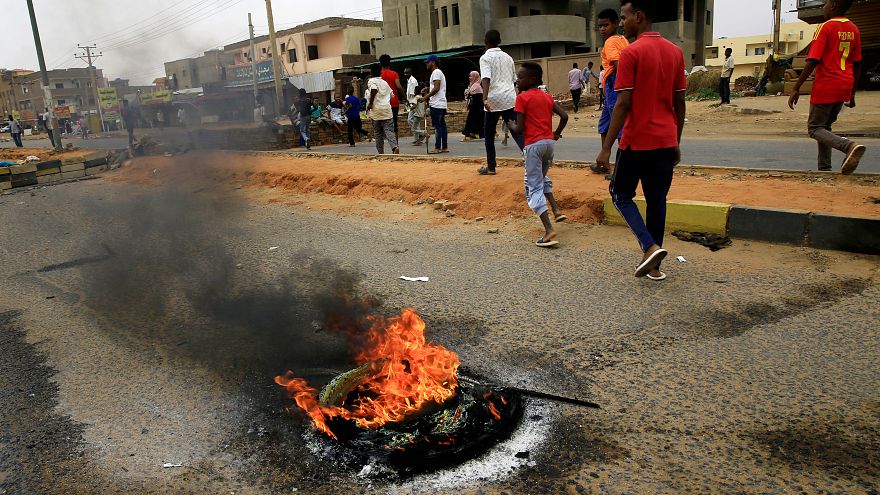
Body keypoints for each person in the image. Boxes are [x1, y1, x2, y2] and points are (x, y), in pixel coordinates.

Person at [595, 0, 687, 281]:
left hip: (635, 141)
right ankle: (655, 267)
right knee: (657, 200)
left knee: (620, 194)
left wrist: (606, 148)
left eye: (624, 18)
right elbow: (679, 102)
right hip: (665, 141)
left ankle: (649, 247)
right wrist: (676, 140)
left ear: (639, 16)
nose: (622, 23)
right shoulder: (676, 52)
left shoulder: (632, 53)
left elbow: (622, 104)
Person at [788, 0, 865, 174]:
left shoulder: (825, 27)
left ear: (834, 5)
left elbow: (812, 60)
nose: (824, 7)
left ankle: (848, 146)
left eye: (826, 3)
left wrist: (796, 87)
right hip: (845, 84)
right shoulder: (854, 29)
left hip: (827, 85)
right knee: (825, 127)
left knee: (814, 128)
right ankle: (825, 168)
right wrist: (852, 94)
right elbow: (858, 64)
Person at [506, 62, 569, 248]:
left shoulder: (522, 98)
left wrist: (510, 125)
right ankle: (556, 210)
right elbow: (564, 116)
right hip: (549, 144)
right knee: (541, 178)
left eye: (520, 77)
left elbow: (519, 128)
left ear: (532, 79)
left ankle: (548, 230)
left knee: (532, 185)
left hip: (533, 146)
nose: (517, 81)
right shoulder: (546, 96)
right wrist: (556, 134)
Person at [478, 29, 523, 175]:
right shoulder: (508, 57)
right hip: (509, 99)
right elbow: (514, 80)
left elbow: (486, 78)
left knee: (489, 134)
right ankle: (532, 160)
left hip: (493, 100)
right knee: (517, 131)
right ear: (500, 41)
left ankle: (491, 167)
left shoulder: (485, 58)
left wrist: (484, 98)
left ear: (485, 42)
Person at [592, 8, 630, 175]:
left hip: (615, 83)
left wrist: (619, 87)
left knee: (619, 124)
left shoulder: (610, 42)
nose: (602, 29)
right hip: (612, 84)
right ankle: (604, 163)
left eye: (605, 25)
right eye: (600, 26)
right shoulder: (623, 40)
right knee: (605, 125)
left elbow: (618, 65)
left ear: (615, 24)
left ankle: (620, 170)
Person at [367, 63, 399, 154]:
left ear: (371, 72)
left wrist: (370, 103)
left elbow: (374, 89)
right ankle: (394, 147)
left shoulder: (371, 81)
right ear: (380, 72)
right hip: (387, 111)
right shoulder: (385, 83)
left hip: (376, 111)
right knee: (389, 131)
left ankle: (381, 153)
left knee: (378, 133)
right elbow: (392, 95)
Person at [420, 55, 448, 154]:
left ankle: (437, 147)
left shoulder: (436, 72)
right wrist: (428, 88)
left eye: (428, 62)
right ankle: (444, 146)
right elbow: (436, 87)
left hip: (436, 103)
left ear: (433, 62)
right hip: (441, 103)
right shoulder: (438, 73)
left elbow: (436, 88)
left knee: (438, 126)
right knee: (442, 125)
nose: (426, 64)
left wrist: (425, 97)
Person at [379, 54, 405, 137]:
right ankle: (395, 144)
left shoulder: (379, 75)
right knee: (394, 123)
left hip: (382, 103)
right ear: (389, 62)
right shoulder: (394, 74)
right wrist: (405, 97)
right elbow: (398, 87)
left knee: (382, 124)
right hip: (393, 102)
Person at [462, 71, 485, 141]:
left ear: (475, 77)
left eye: (471, 76)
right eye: (469, 76)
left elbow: (472, 95)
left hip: (477, 107)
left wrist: (468, 92)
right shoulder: (472, 85)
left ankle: (468, 135)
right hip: (474, 107)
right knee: (475, 121)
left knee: (471, 120)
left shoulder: (476, 86)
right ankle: (473, 134)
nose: (470, 78)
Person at [404, 68, 422, 145]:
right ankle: (418, 136)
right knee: (414, 121)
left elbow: (413, 94)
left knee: (411, 120)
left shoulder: (413, 81)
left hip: (413, 104)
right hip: (411, 103)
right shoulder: (409, 81)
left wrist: (410, 104)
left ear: (410, 73)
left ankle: (420, 135)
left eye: (407, 73)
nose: (405, 75)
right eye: (404, 73)